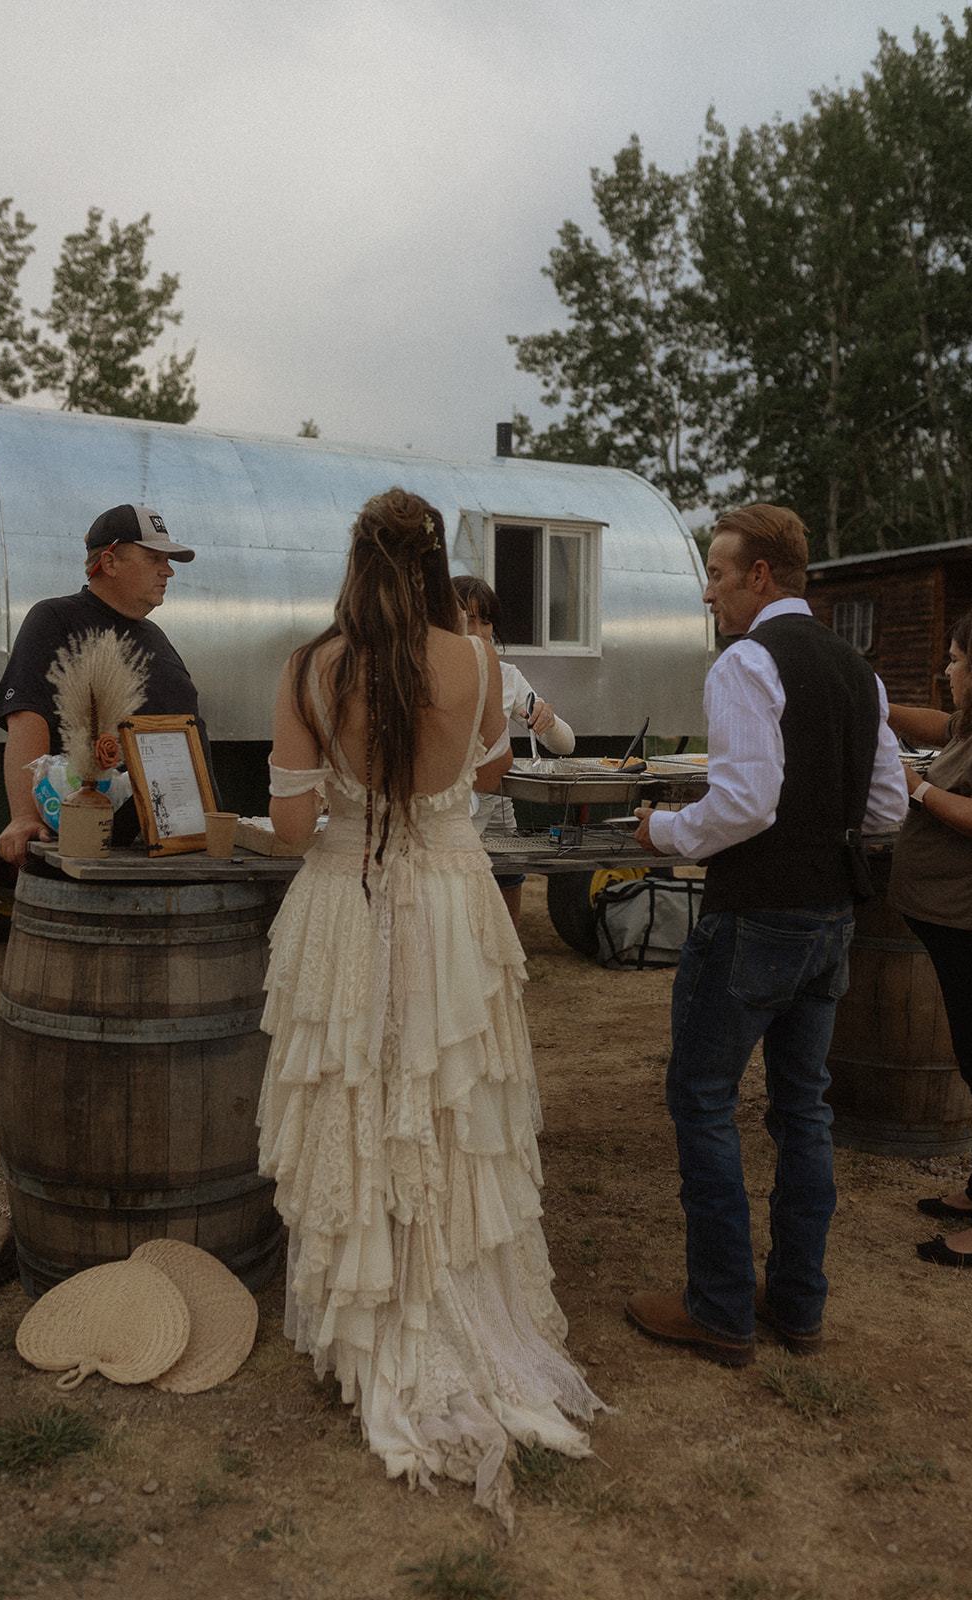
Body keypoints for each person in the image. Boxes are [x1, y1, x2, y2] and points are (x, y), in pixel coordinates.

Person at [256, 488, 602, 1526]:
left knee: (361, 1093)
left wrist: (344, 788)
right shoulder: (479, 660)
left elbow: (286, 820)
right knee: (452, 1108)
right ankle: (455, 1297)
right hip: (452, 902)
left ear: (355, 557)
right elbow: (491, 764)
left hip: (348, 899)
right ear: (435, 558)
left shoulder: (311, 666)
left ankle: (376, 1316)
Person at [624, 503, 909, 1366]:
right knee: (802, 1111)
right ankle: (795, 1303)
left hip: (753, 920)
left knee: (703, 1101)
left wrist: (661, 832)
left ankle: (717, 1308)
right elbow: (886, 807)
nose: (708, 591)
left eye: (716, 573)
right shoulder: (858, 672)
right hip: (830, 920)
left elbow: (745, 803)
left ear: (757, 577)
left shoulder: (745, 661)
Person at [0, 504, 217, 865]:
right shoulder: (55, 619)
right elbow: (26, 718)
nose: (169, 571)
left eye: (168, 560)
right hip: (101, 855)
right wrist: (24, 817)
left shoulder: (155, 635)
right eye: (155, 558)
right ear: (110, 563)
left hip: (180, 847)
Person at [887, 603, 972, 1268]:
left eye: (958, 659)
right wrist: (875, 705)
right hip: (963, 924)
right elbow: (941, 725)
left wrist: (914, 789)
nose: (946, 670)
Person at [453, 575, 575, 930]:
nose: (478, 631)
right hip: (449, 823)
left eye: (485, 620)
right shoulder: (427, 673)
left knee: (505, 938)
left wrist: (547, 720)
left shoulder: (507, 676)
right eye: (467, 620)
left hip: (499, 821)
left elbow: (565, 745)